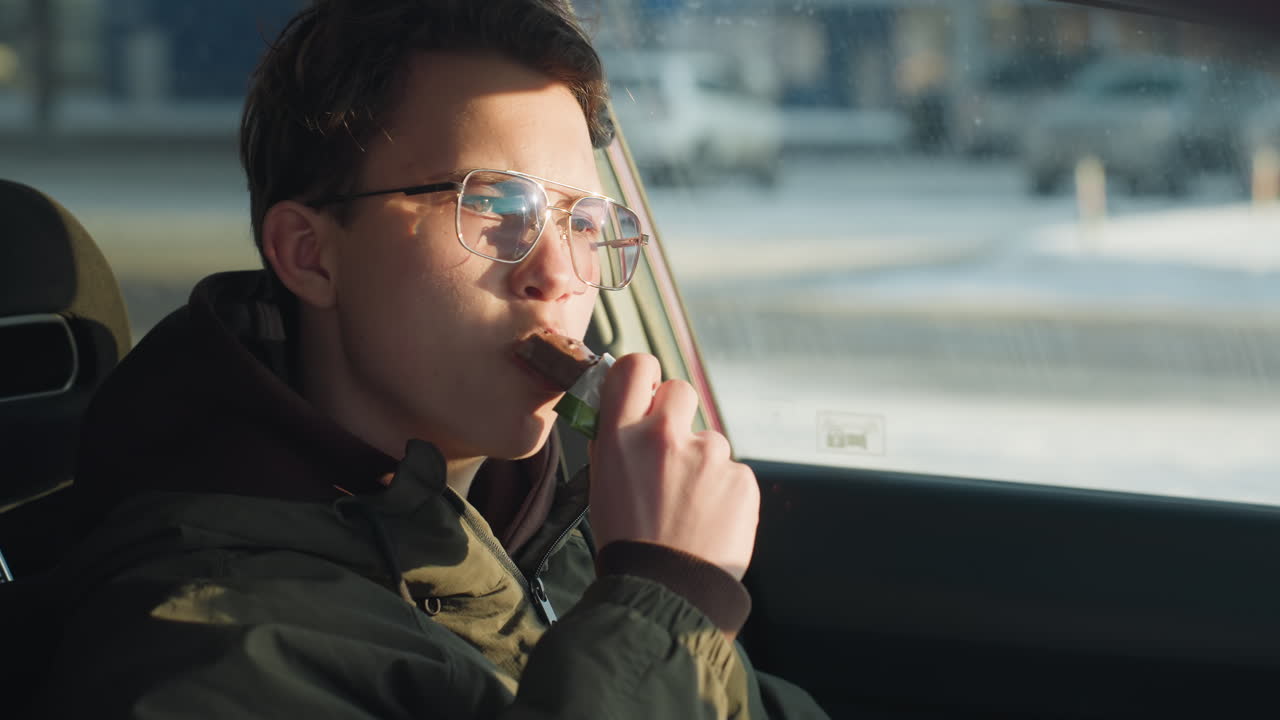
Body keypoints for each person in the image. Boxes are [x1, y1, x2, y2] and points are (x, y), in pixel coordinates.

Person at [32, 1, 827, 717]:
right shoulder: (202, 640)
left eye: (584, 223)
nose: (558, 275)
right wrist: (663, 599)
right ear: (310, 254)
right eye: (493, 206)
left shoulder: (560, 530)